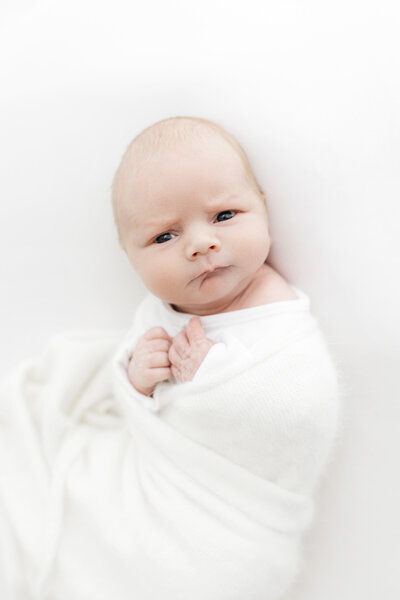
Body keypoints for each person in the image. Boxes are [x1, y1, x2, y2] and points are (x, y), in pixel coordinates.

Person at [0, 116, 341, 600]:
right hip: (150, 489)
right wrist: (136, 377)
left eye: (224, 216)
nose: (201, 244)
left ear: (262, 210)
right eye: (165, 237)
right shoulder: (159, 312)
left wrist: (211, 381)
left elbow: (300, 410)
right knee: (77, 514)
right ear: (130, 257)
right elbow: (132, 395)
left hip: (229, 522)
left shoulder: (274, 309)